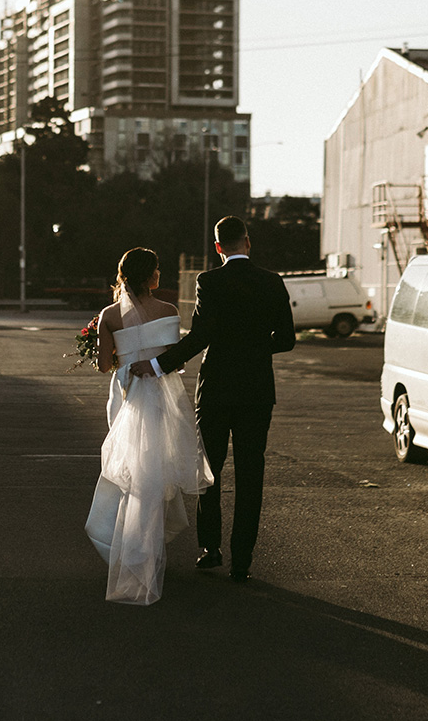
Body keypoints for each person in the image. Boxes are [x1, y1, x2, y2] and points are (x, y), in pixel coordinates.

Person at [130, 216, 294, 582]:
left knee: (209, 471)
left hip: (217, 388)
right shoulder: (271, 282)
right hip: (256, 391)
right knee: (252, 474)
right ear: (247, 243)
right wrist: (254, 348)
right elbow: (286, 340)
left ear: (218, 247)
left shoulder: (209, 281)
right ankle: (243, 559)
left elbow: (199, 337)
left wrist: (157, 365)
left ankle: (210, 549)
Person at [84, 247, 212, 605]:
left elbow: (105, 366)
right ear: (148, 275)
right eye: (157, 269)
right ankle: (148, 550)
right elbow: (173, 360)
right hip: (163, 397)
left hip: (127, 397)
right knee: (156, 472)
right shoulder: (168, 311)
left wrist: (104, 348)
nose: (160, 275)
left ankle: (131, 552)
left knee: (132, 473)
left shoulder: (109, 315)